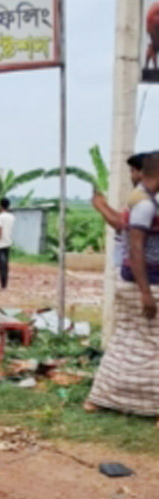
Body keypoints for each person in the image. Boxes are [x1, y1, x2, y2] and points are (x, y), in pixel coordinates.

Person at [84, 153, 159, 424]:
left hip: (134, 279)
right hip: (145, 281)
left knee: (127, 340)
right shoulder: (145, 205)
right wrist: (146, 293)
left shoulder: (142, 200)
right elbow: (136, 246)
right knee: (152, 343)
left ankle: (101, 397)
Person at [0, 198, 15, 290]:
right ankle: (5, 284)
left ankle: (3, 285)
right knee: (5, 265)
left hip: (0, 244)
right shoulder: (12, 217)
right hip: (8, 242)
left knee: (1, 266)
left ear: (0, 205)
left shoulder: (0, 217)